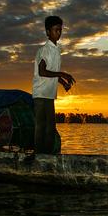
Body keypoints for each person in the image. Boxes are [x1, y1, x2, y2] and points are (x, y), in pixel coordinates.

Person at [32, 16, 75, 154]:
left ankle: (48, 155)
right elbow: (42, 71)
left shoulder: (57, 50)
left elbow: (54, 73)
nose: (59, 33)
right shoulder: (44, 50)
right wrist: (62, 74)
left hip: (50, 94)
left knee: (51, 126)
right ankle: (39, 154)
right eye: (56, 30)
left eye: (60, 30)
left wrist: (63, 84)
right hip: (40, 93)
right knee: (41, 126)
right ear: (47, 32)